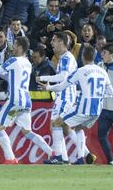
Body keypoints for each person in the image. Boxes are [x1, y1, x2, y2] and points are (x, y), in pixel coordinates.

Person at [0, 36, 53, 164]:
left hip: (15, 101)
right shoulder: (27, 63)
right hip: (26, 101)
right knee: (27, 131)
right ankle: (51, 152)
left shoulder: (14, 60)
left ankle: (10, 158)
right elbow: (6, 76)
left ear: (20, 47)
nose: (12, 47)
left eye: (14, 45)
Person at [39, 44, 113, 164]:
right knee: (78, 128)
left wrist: (48, 87)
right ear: (94, 57)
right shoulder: (102, 71)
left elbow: (62, 86)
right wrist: (97, 96)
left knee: (56, 123)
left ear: (83, 57)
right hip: (97, 110)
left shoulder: (80, 71)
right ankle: (81, 158)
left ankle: (58, 157)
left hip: (83, 108)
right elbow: (110, 92)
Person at [36, 32, 77, 163]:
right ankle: (70, 157)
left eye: (54, 40)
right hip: (64, 95)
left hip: (65, 96)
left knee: (55, 125)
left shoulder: (65, 58)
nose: (51, 43)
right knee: (62, 127)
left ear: (61, 42)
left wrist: (43, 78)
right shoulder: (65, 58)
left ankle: (59, 157)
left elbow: (63, 77)